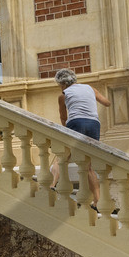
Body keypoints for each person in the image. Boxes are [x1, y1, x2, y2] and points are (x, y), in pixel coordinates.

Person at [47, 68, 112, 208]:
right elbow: (107, 103)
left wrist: (66, 132)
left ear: (62, 84)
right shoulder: (90, 88)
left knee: (62, 157)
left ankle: (52, 184)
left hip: (76, 122)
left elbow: (63, 118)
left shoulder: (63, 95)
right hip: (94, 124)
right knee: (88, 166)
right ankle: (97, 200)